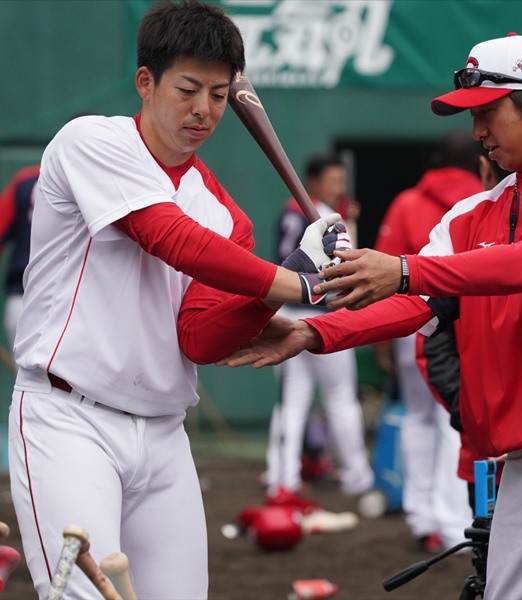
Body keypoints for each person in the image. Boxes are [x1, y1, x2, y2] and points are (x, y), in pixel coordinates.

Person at [220, 33, 522, 600]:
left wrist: (405, 269)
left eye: (488, 111)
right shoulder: (471, 215)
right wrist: (314, 331)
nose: (478, 132)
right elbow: (418, 305)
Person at [7, 1, 353, 598]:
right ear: (146, 82)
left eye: (219, 95)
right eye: (188, 89)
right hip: (70, 421)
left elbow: (198, 336)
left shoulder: (224, 213)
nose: (205, 110)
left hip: (165, 435)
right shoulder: (92, 140)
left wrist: (265, 299)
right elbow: (169, 238)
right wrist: (296, 279)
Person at [373, 130, 482, 552]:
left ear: (436, 160)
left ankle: (422, 518)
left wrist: (382, 339)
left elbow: (382, 270)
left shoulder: (408, 201)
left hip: (408, 321)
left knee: (416, 417)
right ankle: (454, 525)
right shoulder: (487, 198)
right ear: (478, 161)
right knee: (453, 420)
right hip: (464, 327)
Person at [265, 153, 373, 507]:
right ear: (313, 181)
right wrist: (350, 224)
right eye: (333, 180)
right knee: (340, 399)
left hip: (287, 314)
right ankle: (357, 477)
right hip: (323, 315)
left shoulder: (288, 210)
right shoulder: (324, 216)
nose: (338, 187)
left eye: (341, 181)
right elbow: (348, 264)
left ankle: (283, 478)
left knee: (291, 404)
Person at [416, 145, 512, 512]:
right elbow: (429, 332)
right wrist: (473, 416)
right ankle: (436, 522)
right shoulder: (463, 221)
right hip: (486, 442)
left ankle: (430, 519)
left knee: (420, 422)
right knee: (491, 560)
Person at [0, 164, 39, 351]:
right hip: (76, 303)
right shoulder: (95, 176)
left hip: (22, 300)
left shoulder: (25, 179)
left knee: (28, 380)